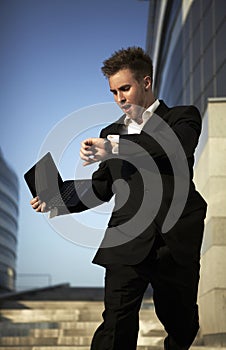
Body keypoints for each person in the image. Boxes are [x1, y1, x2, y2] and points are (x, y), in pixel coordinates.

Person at [30, 47, 207, 350]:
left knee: (181, 322)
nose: (119, 98)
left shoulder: (182, 117)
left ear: (146, 82)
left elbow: (176, 148)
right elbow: (101, 187)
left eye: (125, 88)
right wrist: (56, 198)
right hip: (126, 240)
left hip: (174, 241)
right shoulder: (110, 132)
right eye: (113, 92)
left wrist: (114, 149)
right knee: (115, 322)